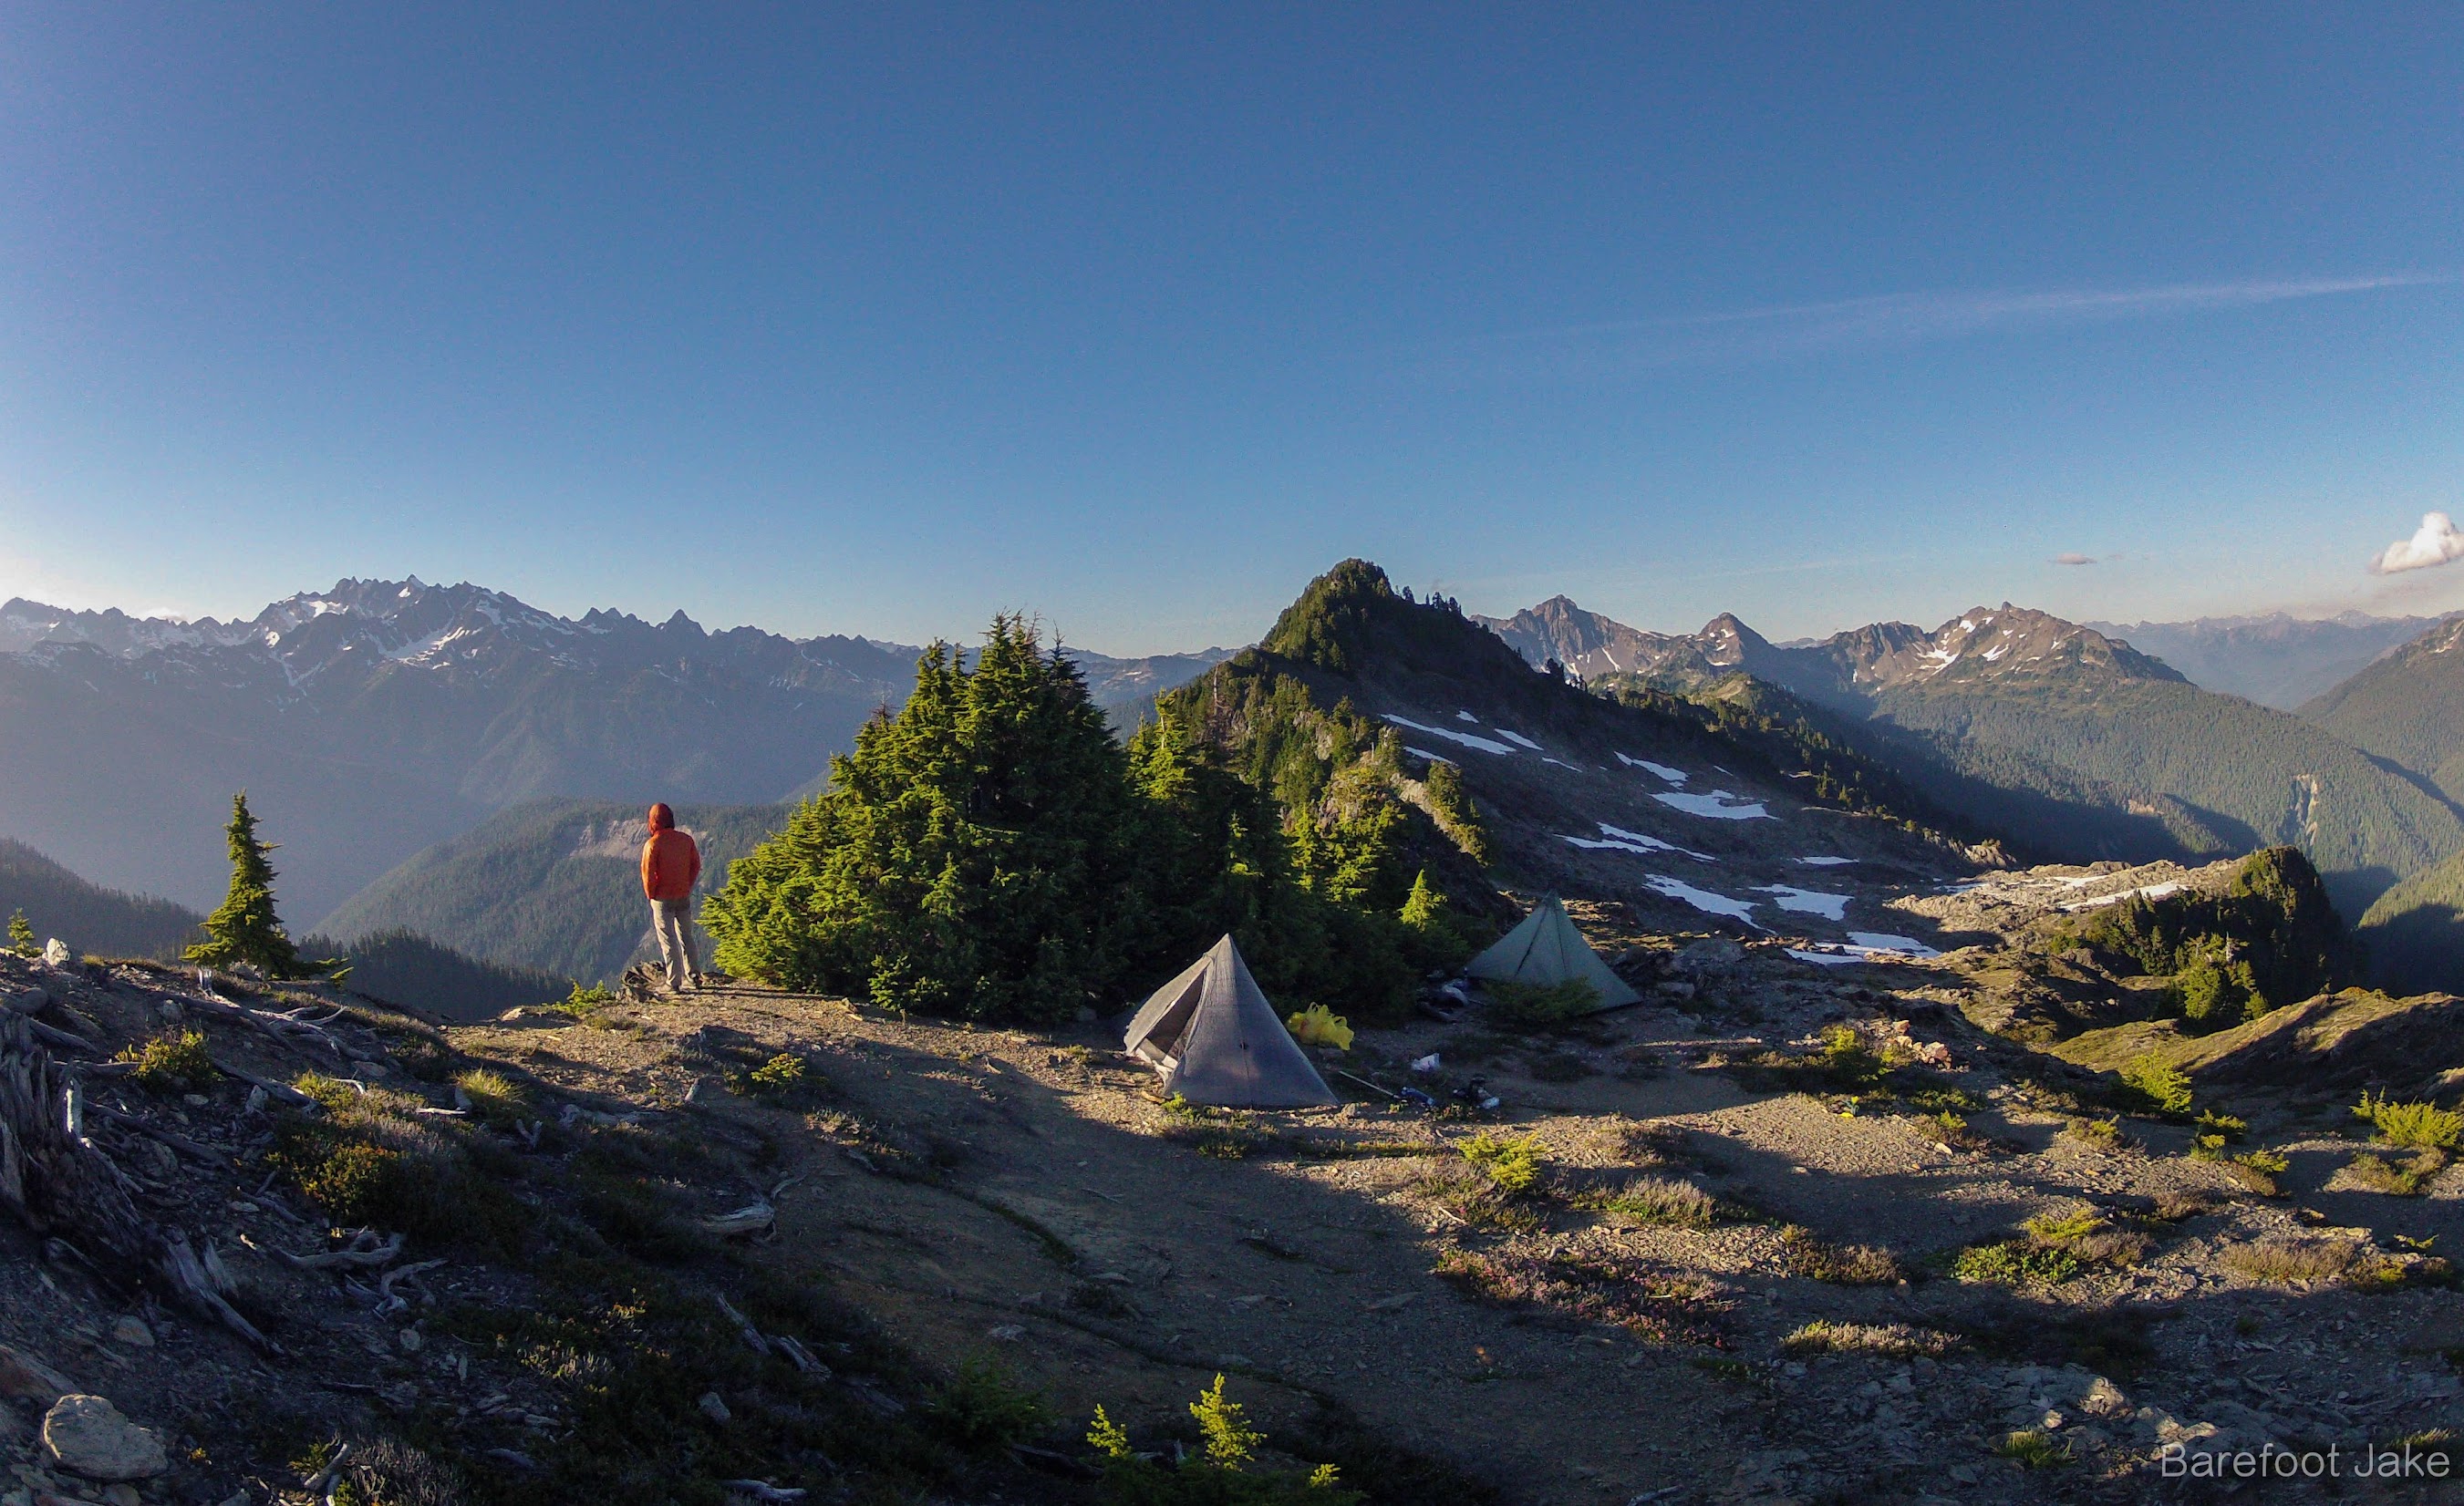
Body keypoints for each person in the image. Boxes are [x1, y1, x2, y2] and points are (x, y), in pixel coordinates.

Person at [640, 802, 702, 992]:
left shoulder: (653, 844)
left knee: (668, 939)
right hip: (683, 894)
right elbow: (695, 866)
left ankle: (673, 981)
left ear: (653, 822)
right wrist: (687, 886)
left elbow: (648, 874)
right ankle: (694, 976)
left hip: (662, 898)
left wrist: (652, 895)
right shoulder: (686, 840)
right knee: (686, 935)